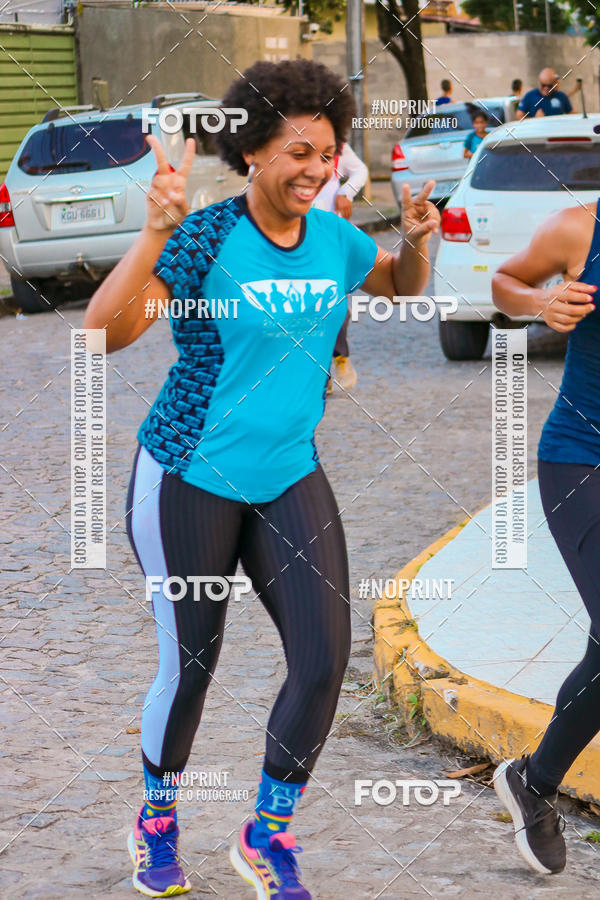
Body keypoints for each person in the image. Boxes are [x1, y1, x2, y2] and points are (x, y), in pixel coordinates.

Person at [84, 58, 440, 899]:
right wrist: (155, 233)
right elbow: (102, 335)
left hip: (289, 476)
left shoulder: (335, 234)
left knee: (322, 660)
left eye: (328, 152)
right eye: (299, 153)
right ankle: (158, 823)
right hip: (187, 479)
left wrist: (416, 242)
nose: (316, 169)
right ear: (253, 154)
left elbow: (394, 282)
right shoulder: (205, 238)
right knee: (193, 664)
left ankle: (265, 834)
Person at [491, 200, 599, 875]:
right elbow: (503, 281)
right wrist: (541, 302)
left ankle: (533, 781)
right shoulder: (580, 228)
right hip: (580, 457)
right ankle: (533, 782)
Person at [312, 141, 369, 393]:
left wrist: (347, 191)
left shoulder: (336, 148)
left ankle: (340, 357)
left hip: (330, 240)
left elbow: (360, 171)